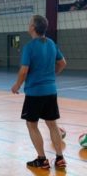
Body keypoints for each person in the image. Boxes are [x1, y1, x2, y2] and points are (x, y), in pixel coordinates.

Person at [11, 15, 67, 169]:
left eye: (30, 23)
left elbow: (24, 71)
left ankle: (42, 159)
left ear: (33, 28)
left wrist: (17, 85)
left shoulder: (29, 47)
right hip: (51, 91)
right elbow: (62, 63)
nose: (28, 25)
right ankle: (60, 158)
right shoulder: (51, 44)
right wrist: (52, 75)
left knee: (32, 124)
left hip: (35, 93)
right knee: (52, 124)